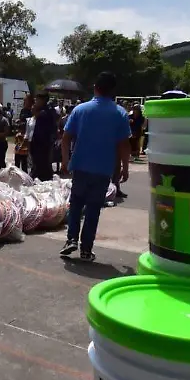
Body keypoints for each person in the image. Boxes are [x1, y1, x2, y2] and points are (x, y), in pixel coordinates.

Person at [59, 72, 132, 261]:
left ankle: (71, 239)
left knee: (75, 205)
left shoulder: (80, 110)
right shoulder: (120, 113)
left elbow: (66, 138)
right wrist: (125, 168)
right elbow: (124, 144)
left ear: (95, 87)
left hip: (81, 166)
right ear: (112, 90)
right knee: (93, 210)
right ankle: (86, 249)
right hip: (103, 169)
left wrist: (65, 161)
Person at [29, 92, 58, 182]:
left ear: (43, 100)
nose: (35, 102)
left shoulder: (46, 112)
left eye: (37, 100)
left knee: (41, 165)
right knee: (38, 165)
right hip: (38, 143)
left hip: (43, 144)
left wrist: (34, 110)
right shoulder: (45, 111)